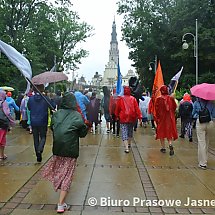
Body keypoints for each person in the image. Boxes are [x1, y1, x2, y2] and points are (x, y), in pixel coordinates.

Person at [41, 92, 88, 213]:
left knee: (60, 170)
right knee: (68, 175)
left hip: (58, 148)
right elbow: (82, 133)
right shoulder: (77, 115)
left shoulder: (57, 114)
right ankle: (61, 204)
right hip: (71, 150)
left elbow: (52, 127)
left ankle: (59, 186)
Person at [27, 84, 54, 162]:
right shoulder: (45, 99)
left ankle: (38, 155)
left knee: (35, 138)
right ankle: (40, 149)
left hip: (33, 121)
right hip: (43, 121)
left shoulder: (31, 99)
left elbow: (29, 107)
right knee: (43, 137)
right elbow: (52, 107)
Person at [115, 86, 142, 153]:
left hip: (123, 117)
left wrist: (117, 115)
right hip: (132, 117)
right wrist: (140, 117)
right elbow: (137, 109)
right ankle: (129, 143)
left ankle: (126, 148)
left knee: (124, 132)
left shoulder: (120, 99)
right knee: (130, 131)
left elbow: (117, 109)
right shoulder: (133, 99)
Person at [192, 97, 215, 170]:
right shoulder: (211, 103)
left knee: (201, 143)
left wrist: (198, 116)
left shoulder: (196, 103)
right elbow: (214, 114)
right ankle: (205, 158)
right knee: (207, 141)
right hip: (210, 122)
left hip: (200, 122)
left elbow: (193, 114)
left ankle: (202, 163)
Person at [155, 85, 178, 156]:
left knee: (161, 132)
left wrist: (157, 118)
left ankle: (163, 148)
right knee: (169, 133)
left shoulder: (158, 99)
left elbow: (156, 109)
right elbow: (174, 107)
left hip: (162, 118)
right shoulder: (171, 98)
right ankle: (170, 144)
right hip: (169, 118)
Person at [0, 90, 15, 160]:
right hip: (2, 124)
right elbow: (7, 113)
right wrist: (12, 122)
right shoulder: (4, 103)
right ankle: (1, 155)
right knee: (2, 139)